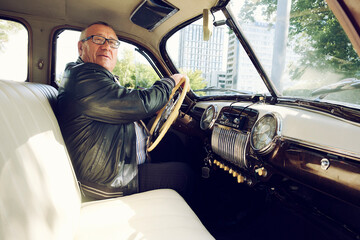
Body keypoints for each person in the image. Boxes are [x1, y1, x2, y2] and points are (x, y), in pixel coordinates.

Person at [56, 21, 194, 201]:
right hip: (105, 181)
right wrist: (170, 81)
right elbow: (141, 104)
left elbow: (129, 101)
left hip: (114, 166)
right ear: (81, 47)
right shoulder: (83, 77)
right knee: (185, 175)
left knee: (173, 144)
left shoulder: (91, 76)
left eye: (113, 43)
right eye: (98, 39)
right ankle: (218, 224)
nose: (107, 46)